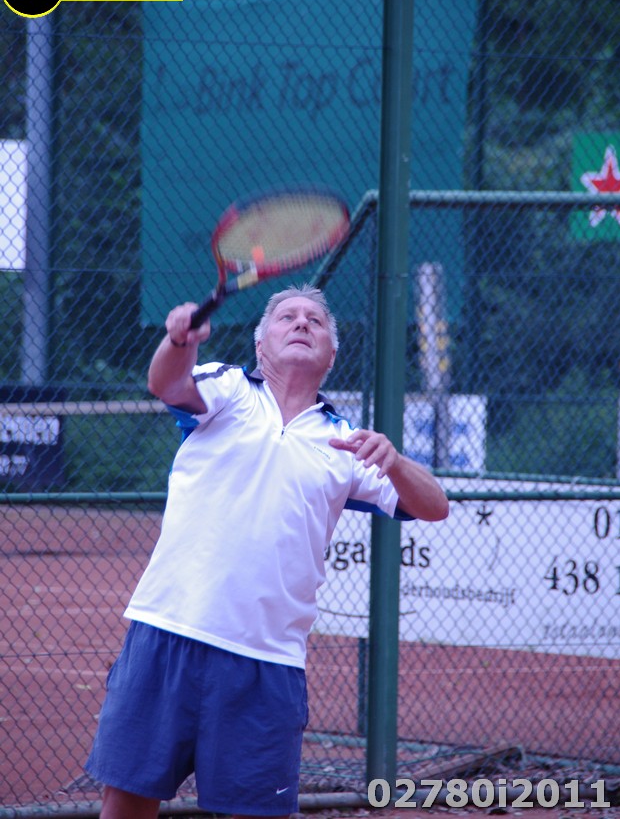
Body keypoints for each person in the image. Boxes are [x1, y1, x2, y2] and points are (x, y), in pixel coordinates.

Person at [85, 284, 449, 819]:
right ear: (260, 345)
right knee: (127, 805)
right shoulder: (228, 388)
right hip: (169, 633)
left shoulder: (345, 443)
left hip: (268, 664)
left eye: (315, 321)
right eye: (287, 317)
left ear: (331, 355)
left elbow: (435, 505)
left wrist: (394, 461)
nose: (301, 323)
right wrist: (179, 341)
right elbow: (166, 382)